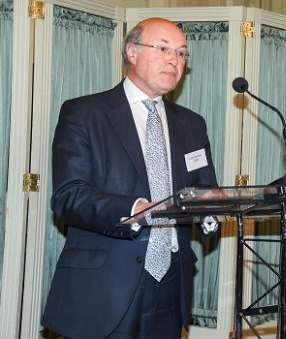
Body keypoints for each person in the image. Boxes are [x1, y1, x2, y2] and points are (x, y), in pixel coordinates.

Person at [42, 17, 219, 338]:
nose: (174, 60)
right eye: (163, 48)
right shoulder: (85, 114)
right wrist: (137, 208)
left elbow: (205, 189)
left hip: (170, 283)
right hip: (103, 286)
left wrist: (214, 210)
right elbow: (69, 196)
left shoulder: (192, 124)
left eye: (181, 53)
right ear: (132, 52)